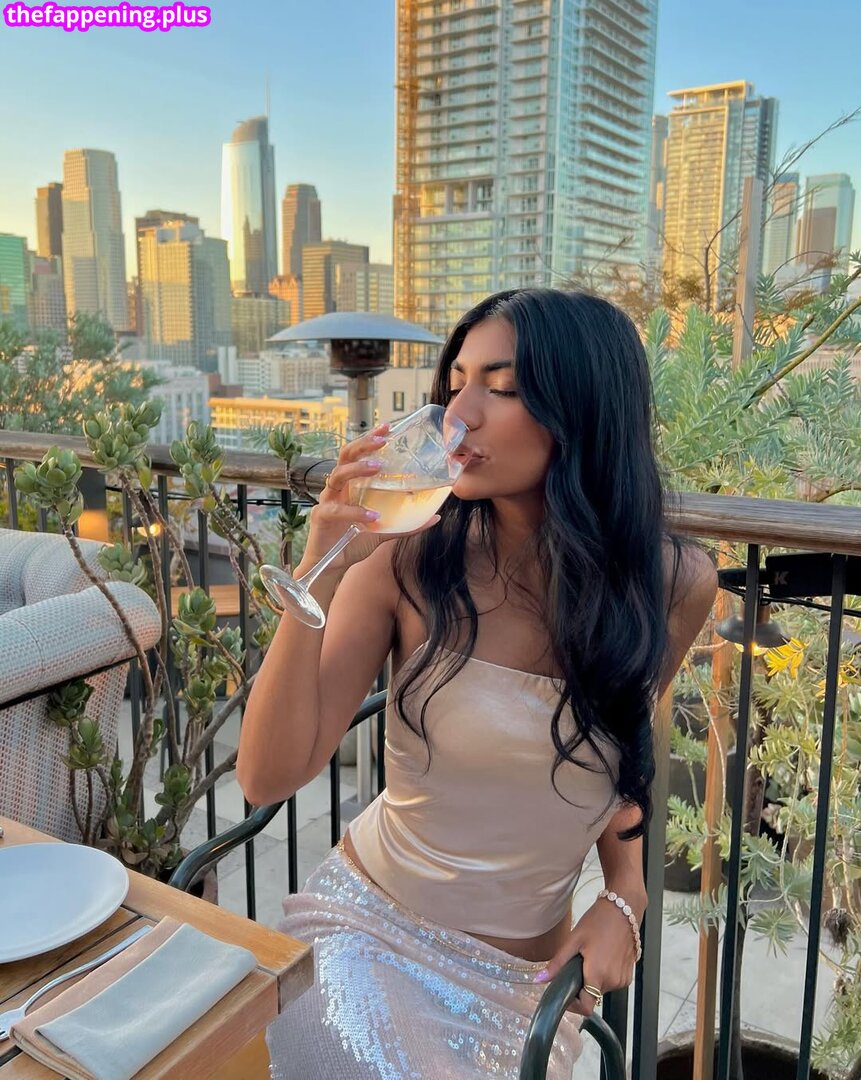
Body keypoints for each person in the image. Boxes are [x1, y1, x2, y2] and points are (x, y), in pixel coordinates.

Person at [237, 288, 717, 1078]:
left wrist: (623, 896)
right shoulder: (404, 559)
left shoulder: (671, 584)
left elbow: (617, 749)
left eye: (502, 387)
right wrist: (318, 570)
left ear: (583, 411)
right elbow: (265, 777)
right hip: (368, 934)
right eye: (456, 382)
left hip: (525, 984)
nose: (457, 415)